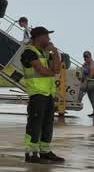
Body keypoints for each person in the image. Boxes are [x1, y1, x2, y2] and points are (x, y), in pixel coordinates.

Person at [21, 27, 64, 164]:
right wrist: (50, 71)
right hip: (36, 93)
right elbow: (41, 71)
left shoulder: (46, 53)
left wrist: (55, 52)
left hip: (48, 93)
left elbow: (56, 69)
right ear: (39, 38)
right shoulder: (29, 52)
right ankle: (31, 153)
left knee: (47, 123)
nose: (49, 39)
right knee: (35, 123)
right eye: (47, 36)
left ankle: (45, 151)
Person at [78, 50, 94, 117]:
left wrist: (83, 81)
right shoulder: (85, 64)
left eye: (87, 57)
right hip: (90, 82)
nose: (85, 58)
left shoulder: (93, 64)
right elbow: (81, 73)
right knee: (92, 97)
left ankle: (78, 102)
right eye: (84, 57)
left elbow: (90, 76)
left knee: (81, 88)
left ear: (90, 56)